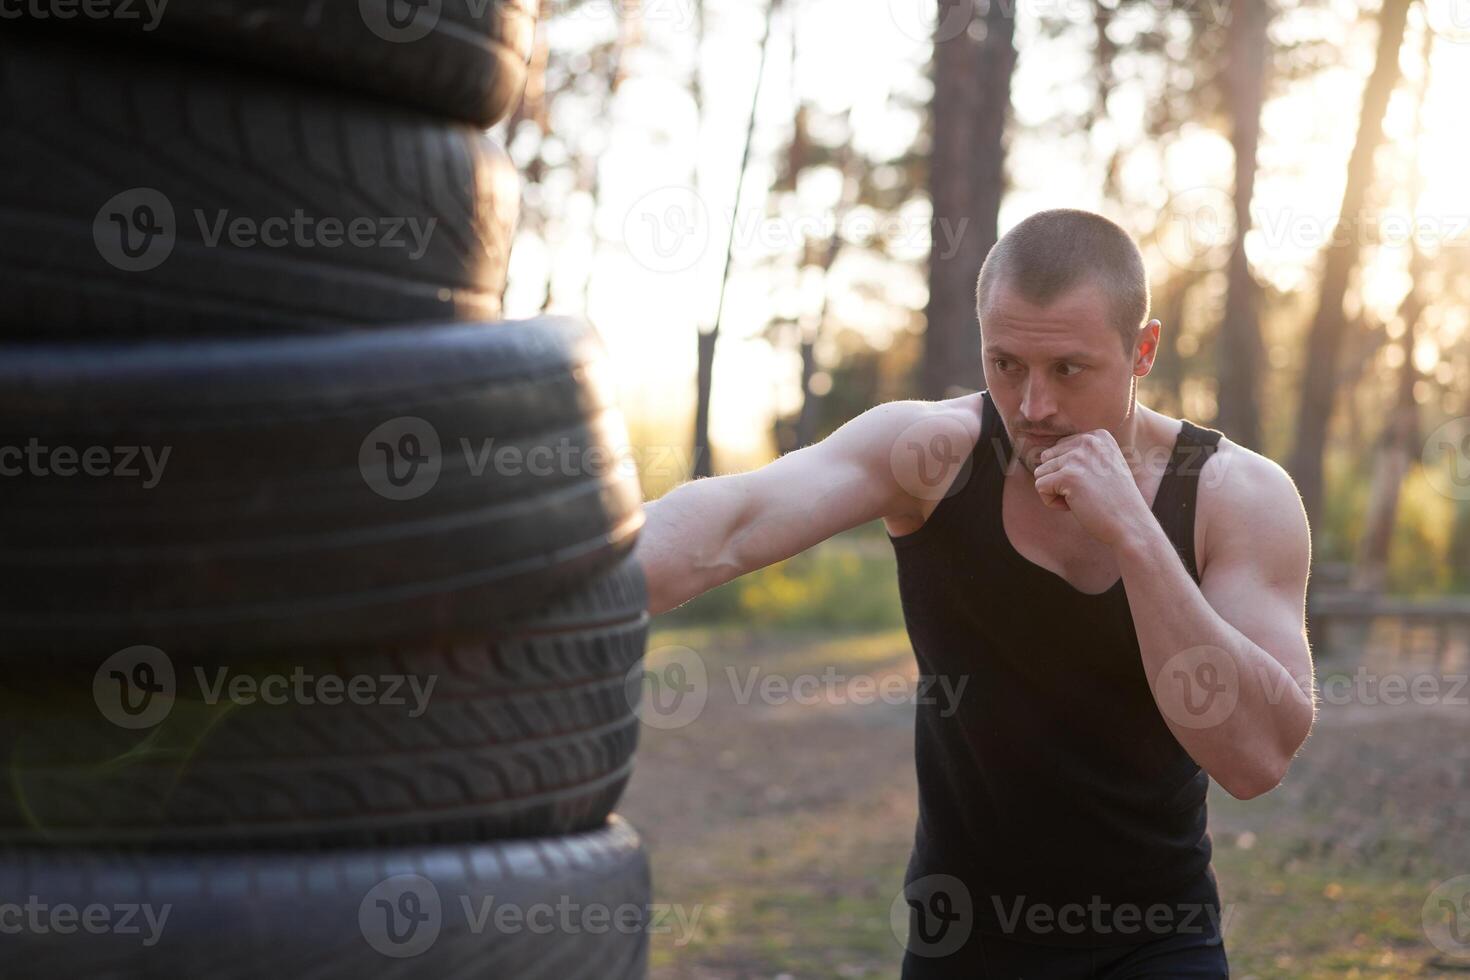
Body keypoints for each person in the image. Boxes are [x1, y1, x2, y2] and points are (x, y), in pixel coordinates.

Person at [632, 208, 1316, 978]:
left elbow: (1258, 757)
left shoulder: (1236, 495)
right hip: (960, 942)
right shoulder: (932, 456)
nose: (1032, 408)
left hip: (1157, 942)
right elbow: (730, 522)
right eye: (1006, 364)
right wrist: (538, 576)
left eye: (1068, 370)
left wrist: (1135, 533)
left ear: (1143, 350)